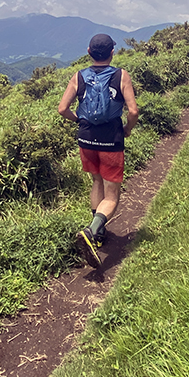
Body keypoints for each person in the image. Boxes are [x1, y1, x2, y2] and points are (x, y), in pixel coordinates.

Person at [58, 33, 138, 268]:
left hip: (86, 138)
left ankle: (99, 232)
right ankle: (92, 231)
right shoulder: (121, 75)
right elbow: (133, 111)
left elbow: (62, 108)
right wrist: (127, 130)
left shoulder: (78, 76)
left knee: (96, 181)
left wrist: (79, 122)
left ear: (89, 52)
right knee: (112, 194)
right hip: (110, 138)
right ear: (112, 52)